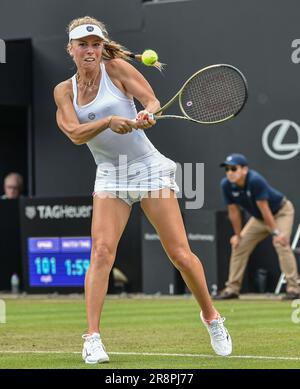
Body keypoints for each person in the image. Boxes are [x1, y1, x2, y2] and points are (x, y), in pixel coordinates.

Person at [54, 16, 232, 364]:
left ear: (102, 47)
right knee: (102, 252)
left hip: (148, 169)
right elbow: (75, 134)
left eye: (95, 44)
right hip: (110, 175)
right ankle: (92, 338)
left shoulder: (116, 69)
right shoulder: (64, 91)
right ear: (71, 49)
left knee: (180, 255)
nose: (90, 50)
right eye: (83, 45)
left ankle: (212, 317)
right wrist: (108, 121)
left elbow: (150, 100)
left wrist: (146, 115)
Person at [215, 153, 300, 300]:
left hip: (281, 213)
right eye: (227, 169)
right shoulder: (226, 185)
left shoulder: (255, 180)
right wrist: (238, 235)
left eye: (233, 169)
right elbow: (234, 212)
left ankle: (294, 288)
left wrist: (276, 233)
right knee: (239, 245)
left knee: (281, 244)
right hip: (259, 219)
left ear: (244, 170)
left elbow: (265, 209)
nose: (230, 173)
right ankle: (232, 289)